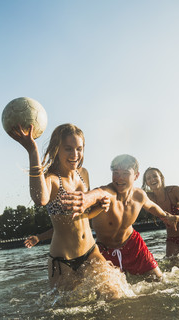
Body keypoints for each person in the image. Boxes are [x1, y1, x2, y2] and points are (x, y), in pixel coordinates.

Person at [9, 123, 122, 298]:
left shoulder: (83, 174)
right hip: (63, 262)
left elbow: (83, 216)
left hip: (91, 251)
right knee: (72, 310)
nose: (75, 155)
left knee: (116, 296)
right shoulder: (52, 179)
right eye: (68, 149)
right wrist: (33, 152)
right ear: (57, 150)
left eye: (79, 148)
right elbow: (40, 199)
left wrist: (99, 207)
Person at [26, 155, 174, 280]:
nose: (119, 178)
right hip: (105, 251)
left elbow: (152, 206)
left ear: (136, 175)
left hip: (133, 245)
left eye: (125, 173)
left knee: (159, 281)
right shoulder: (107, 193)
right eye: (116, 172)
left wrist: (167, 216)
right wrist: (85, 199)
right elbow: (97, 194)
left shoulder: (139, 195)